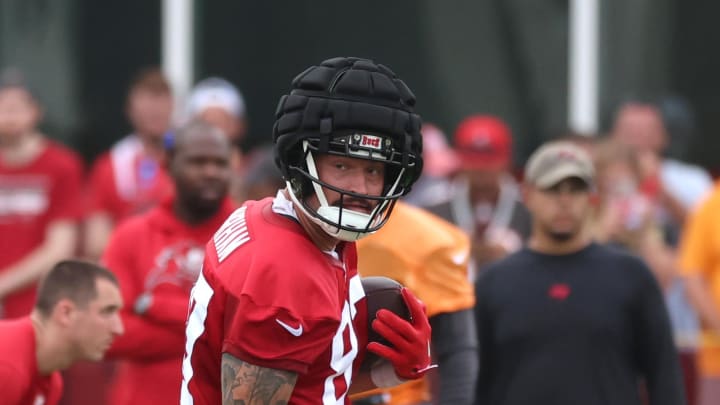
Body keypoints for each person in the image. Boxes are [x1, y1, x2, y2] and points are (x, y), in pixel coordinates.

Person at [181, 56, 433, 404]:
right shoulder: (288, 272)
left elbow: (309, 385)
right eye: (342, 165)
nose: (359, 188)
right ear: (300, 162)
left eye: (374, 171)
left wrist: (387, 372)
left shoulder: (282, 221)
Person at [474, 140, 685, 405]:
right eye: (552, 189)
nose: (564, 201)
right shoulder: (494, 283)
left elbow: (664, 378)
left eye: (575, 189)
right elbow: (475, 381)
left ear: (592, 197)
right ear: (527, 194)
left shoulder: (631, 276)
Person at [102, 120, 236, 405]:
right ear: (169, 164)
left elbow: (259, 331)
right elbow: (106, 332)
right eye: (198, 162)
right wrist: (212, 332)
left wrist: (154, 308)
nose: (211, 172)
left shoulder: (251, 234)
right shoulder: (131, 235)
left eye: (220, 163)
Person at [353, 201, 477, 405]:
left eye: (371, 171)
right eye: (341, 166)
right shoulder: (292, 231)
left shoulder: (425, 240)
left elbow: (456, 349)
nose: (357, 183)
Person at [0, 71, 84, 319]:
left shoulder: (62, 165)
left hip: (40, 310)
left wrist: (2, 286)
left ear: (36, 112)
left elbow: (59, 249)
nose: (9, 115)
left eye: (17, 106)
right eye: (3, 106)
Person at [0, 259, 124, 405]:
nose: (119, 329)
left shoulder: (52, 382)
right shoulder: (7, 369)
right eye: (107, 312)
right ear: (66, 313)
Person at [84, 67, 175, 261]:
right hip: (131, 271)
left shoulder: (193, 159)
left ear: (173, 106)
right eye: (147, 103)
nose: (155, 110)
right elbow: (96, 243)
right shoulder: (111, 165)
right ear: (130, 110)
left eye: (161, 101)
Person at [426, 114, 531, 276]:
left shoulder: (530, 208)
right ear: (459, 159)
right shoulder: (433, 209)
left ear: (508, 160)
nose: (481, 169)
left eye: (489, 160)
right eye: (473, 160)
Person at [185, 77, 248, 202]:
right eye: (207, 122)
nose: (214, 132)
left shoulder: (256, 171)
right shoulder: (176, 174)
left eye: (221, 122)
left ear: (238, 126)